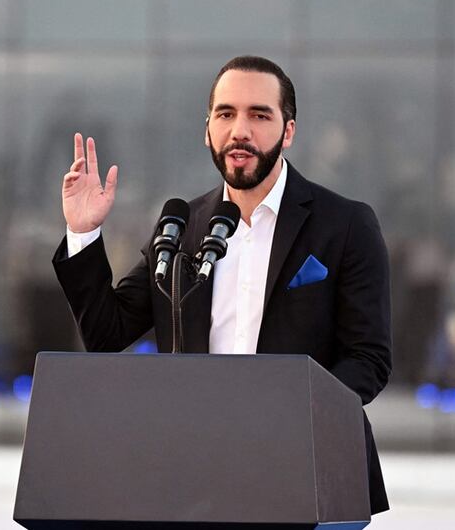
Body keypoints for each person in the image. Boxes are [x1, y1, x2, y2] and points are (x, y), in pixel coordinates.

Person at [52, 55, 392, 514]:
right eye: (226, 114)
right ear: (207, 129)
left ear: (288, 131)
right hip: (195, 473)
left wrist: (285, 414)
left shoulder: (346, 223)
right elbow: (106, 334)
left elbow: (368, 359)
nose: (240, 131)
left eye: (259, 114)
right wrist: (83, 232)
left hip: (308, 468)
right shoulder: (181, 227)